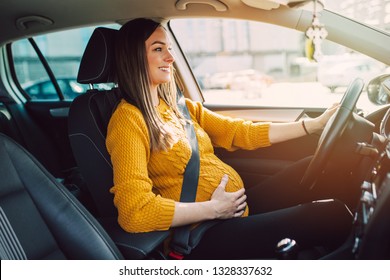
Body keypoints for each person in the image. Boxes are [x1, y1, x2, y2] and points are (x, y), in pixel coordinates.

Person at [106, 18, 353, 259]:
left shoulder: (180, 107)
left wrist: (313, 125)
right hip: (202, 234)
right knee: (331, 215)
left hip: (232, 209)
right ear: (134, 57)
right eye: (159, 49)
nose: (170, 57)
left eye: (169, 48)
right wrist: (213, 209)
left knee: (320, 168)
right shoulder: (128, 120)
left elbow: (239, 132)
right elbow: (134, 212)